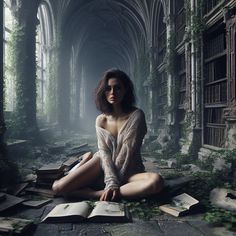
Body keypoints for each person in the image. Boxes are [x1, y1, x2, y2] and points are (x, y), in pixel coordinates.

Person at [52, 69, 164, 201]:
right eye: (108, 88)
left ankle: (92, 194)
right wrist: (111, 180)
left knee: (156, 182)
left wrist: (114, 183)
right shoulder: (101, 120)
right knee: (57, 187)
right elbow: (104, 152)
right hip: (102, 165)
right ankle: (90, 166)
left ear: (125, 90)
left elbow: (126, 152)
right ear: (103, 92)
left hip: (130, 170)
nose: (112, 93)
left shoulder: (136, 116)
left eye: (117, 88)